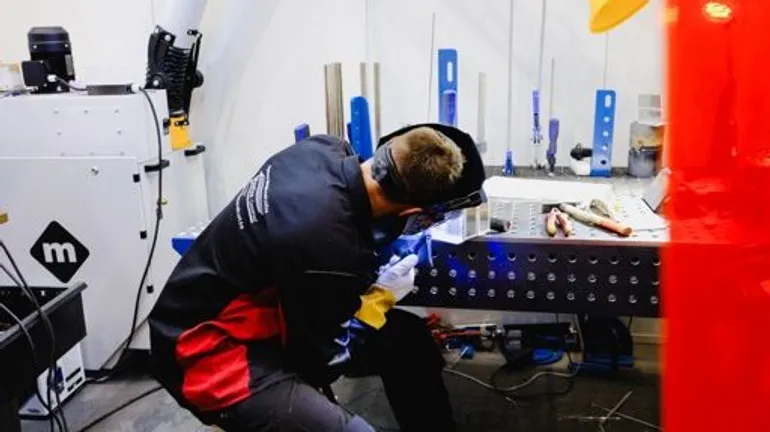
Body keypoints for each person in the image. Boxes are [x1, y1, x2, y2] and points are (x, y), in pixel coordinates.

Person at [148, 123, 486, 432]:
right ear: (412, 211)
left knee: (408, 341)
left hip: (241, 308)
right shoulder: (329, 251)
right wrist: (378, 298)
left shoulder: (322, 149)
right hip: (208, 353)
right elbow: (324, 362)